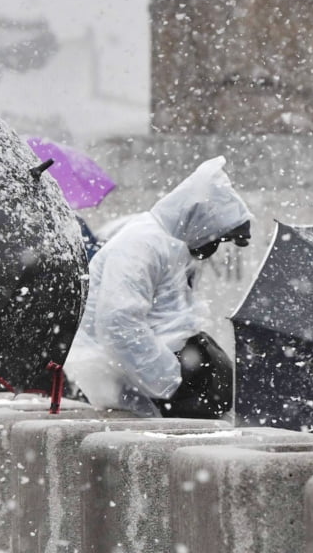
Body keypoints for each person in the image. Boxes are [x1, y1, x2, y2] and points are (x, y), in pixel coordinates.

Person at [63, 156, 253, 418]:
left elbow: (169, 316)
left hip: (148, 379)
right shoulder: (143, 244)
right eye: (217, 238)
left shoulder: (169, 244)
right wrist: (173, 382)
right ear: (199, 222)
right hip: (129, 381)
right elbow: (118, 323)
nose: (214, 247)